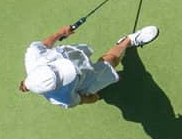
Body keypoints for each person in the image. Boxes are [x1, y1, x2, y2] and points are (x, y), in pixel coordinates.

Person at [20, 24, 159, 108]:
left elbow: (45, 44)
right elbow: (83, 99)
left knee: (93, 61)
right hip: (79, 83)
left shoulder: (33, 56)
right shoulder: (63, 98)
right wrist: (94, 97)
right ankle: (127, 41)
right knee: (110, 62)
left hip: (67, 56)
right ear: (56, 87)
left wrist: (62, 33)